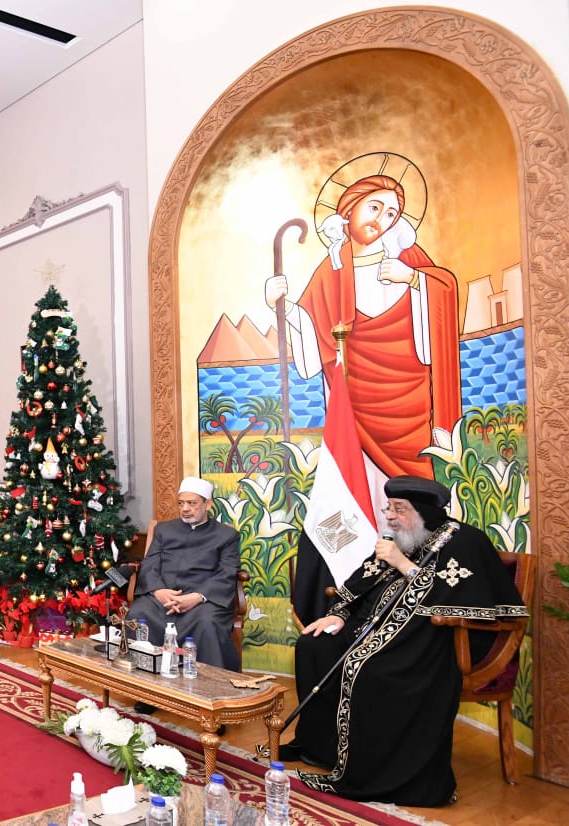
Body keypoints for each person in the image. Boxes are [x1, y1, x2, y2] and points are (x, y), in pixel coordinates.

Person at [286, 475, 525, 806]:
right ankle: (324, 750)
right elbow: (364, 579)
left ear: (425, 511)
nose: (390, 516)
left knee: (368, 669)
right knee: (313, 646)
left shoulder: (464, 541)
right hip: (377, 631)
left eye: (399, 509)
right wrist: (338, 614)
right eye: (389, 508)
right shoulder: (406, 537)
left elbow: (456, 601)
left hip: (437, 640)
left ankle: (373, 770)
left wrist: (402, 563)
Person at [265, 173, 460, 482]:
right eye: (374, 207)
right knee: (362, 481)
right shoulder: (333, 268)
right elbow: (311, 326)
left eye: (391, 214)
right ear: (350, 208)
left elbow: (445, 291)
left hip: (408, 399)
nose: (381, 219)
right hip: (357, 398)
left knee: (415, 479)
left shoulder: (407, 257)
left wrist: (412, 278)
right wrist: (281, 306)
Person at [128, 476, 242, 670]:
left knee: (207, 622)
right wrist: (158, 591)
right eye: (181, 503)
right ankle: (145, 683)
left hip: (202, 601)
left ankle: (206, 685)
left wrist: (197, 597)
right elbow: (149, 564)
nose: (185, 509)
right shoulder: (164, 530)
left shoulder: (226, 535)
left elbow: (227, 572)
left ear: (208, 504)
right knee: (139, 613)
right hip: (162, 598)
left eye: (192, 503)